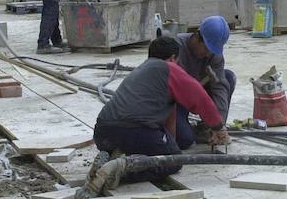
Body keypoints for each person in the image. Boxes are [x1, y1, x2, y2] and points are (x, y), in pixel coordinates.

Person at [93, 37, 229, 182]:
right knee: (173, 161)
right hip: (133, 131)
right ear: (172, 58)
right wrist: (218, 127)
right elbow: (200, 98)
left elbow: (169, 116)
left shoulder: (141, 70)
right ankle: (118, 172)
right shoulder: (169, 68)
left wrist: (169, 145)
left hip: (102, 133)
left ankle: (112, 157)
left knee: (159, 149)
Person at [171, 15, 235, 150]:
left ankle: (206, 128)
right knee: (184, 140)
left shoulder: (214, 56)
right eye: (206, 49)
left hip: (199, 92)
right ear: (197, 37)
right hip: (176, 99)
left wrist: (219, 124)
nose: (207, 54)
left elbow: (219, 88)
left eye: (211, 51)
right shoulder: (176, 48)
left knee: (228, 77)